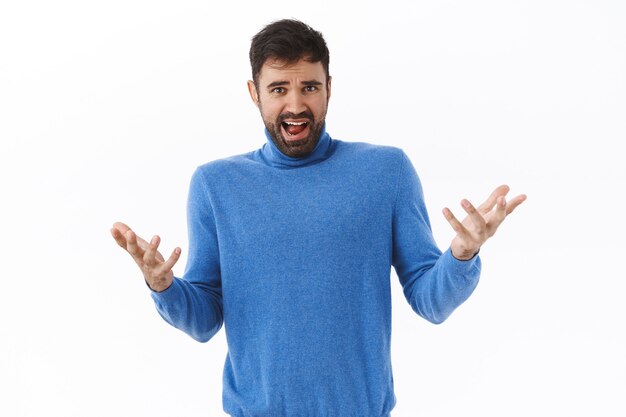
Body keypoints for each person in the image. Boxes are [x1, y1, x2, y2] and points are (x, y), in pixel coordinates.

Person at [111, 19, 526, 417]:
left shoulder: (387, 171)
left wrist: (461, 254)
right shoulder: (215, 185)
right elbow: (203, 320)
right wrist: (163, 286)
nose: (296, 105)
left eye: (309, 86)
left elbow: (431, 301)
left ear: (329, 88)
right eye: (279, 89)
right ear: (255, 94)